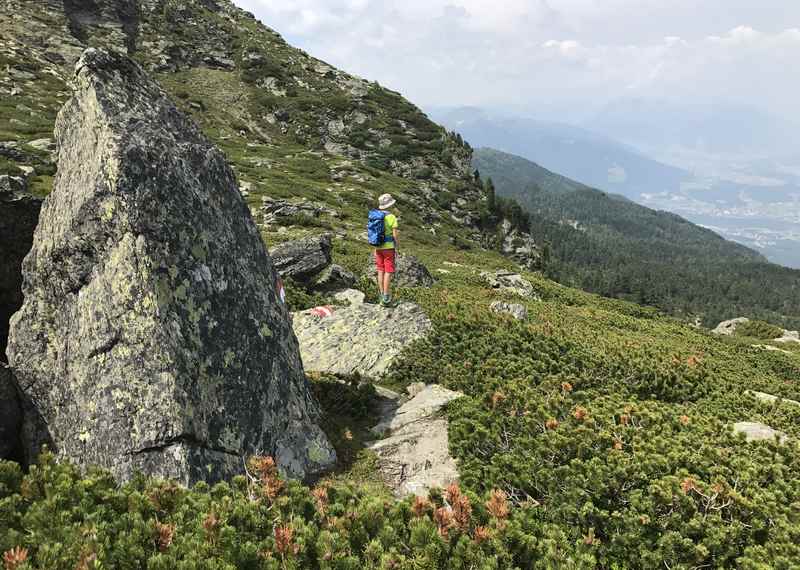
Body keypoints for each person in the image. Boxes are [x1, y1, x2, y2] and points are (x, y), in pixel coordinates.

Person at [374, 193, 399, 307]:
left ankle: (381, 295)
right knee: (388, 271)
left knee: (380, 270)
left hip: (378, 247)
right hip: (389, 247)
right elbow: (394, 235)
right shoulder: (392, 217)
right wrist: (396, 245)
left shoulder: (375, 217)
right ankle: (386, 296)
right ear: (390, 205)